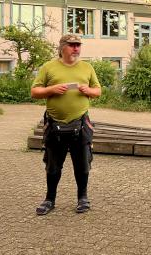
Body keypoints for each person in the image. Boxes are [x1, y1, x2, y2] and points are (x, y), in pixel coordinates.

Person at [31, 34, 102, 215]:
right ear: (63, 47)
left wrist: (89, 91)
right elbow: (34, 91)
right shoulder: (49, 67)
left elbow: (98, 90)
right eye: (72, 45)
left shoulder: (87, 67)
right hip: (55, 124)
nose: (76, 48)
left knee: (83, 164)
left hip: (81, 123)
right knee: (53, 165)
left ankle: (82, 198)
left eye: (78, 45)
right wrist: (51, 90)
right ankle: (49, 200)